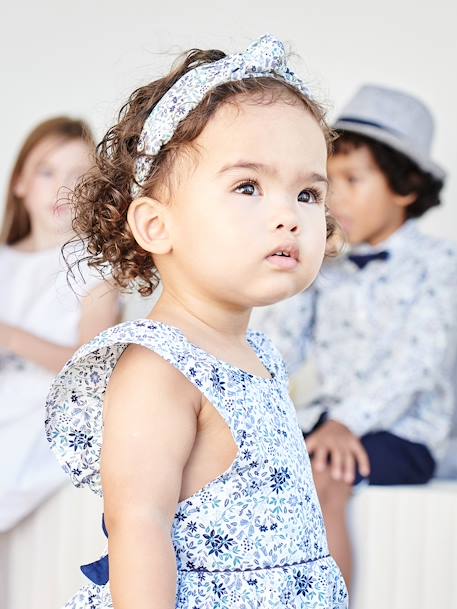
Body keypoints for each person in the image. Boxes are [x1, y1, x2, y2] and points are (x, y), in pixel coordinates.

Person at [45, 35, 348, 609]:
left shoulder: (258, 353)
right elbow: (137, 526)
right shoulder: (158, 368)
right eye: (248, 186)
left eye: (308, 194)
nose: (288, 215)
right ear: (157, 227)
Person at [253, 84, 457, 587]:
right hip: (329, 422)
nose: (333, 198)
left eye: (352, 180)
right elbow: (282, 345)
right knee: (254, 471)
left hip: (406, 432)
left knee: (327, 476)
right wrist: (298, 265)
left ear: (404, 186)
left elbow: (418, 360)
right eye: (326, 183)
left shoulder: (440, 266)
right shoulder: (328, 266)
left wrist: (347, 422)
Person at [0, 117, 120, 531]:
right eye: (47, 171)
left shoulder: (93, 269)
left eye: (78, 177)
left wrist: (11, 336)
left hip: (42, 420)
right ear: (19, 183)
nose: (61, 188)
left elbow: (90, 367)